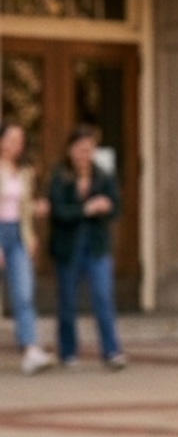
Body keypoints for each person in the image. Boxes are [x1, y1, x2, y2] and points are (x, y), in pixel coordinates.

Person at [48, 125, 126, 369]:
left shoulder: (103, 175)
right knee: (68, 300)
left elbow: (117, 207)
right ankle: (68, 351)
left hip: (97, 245)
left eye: (89, 149)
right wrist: (85, 209)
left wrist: (106, 206)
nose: (84, 155)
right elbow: (58, 211)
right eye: (80, 149)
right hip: (69, 246)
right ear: (71, 150)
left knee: (103, 297)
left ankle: (111, 350)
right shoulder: (60, 177)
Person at [0, 119, 55, 375]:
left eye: (20, 140)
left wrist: (33, 224)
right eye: (11, 139)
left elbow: (22, 208)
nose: (16, 145)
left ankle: (30, 350)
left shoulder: (25, 172)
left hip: (18, 235)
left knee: (24, 293)